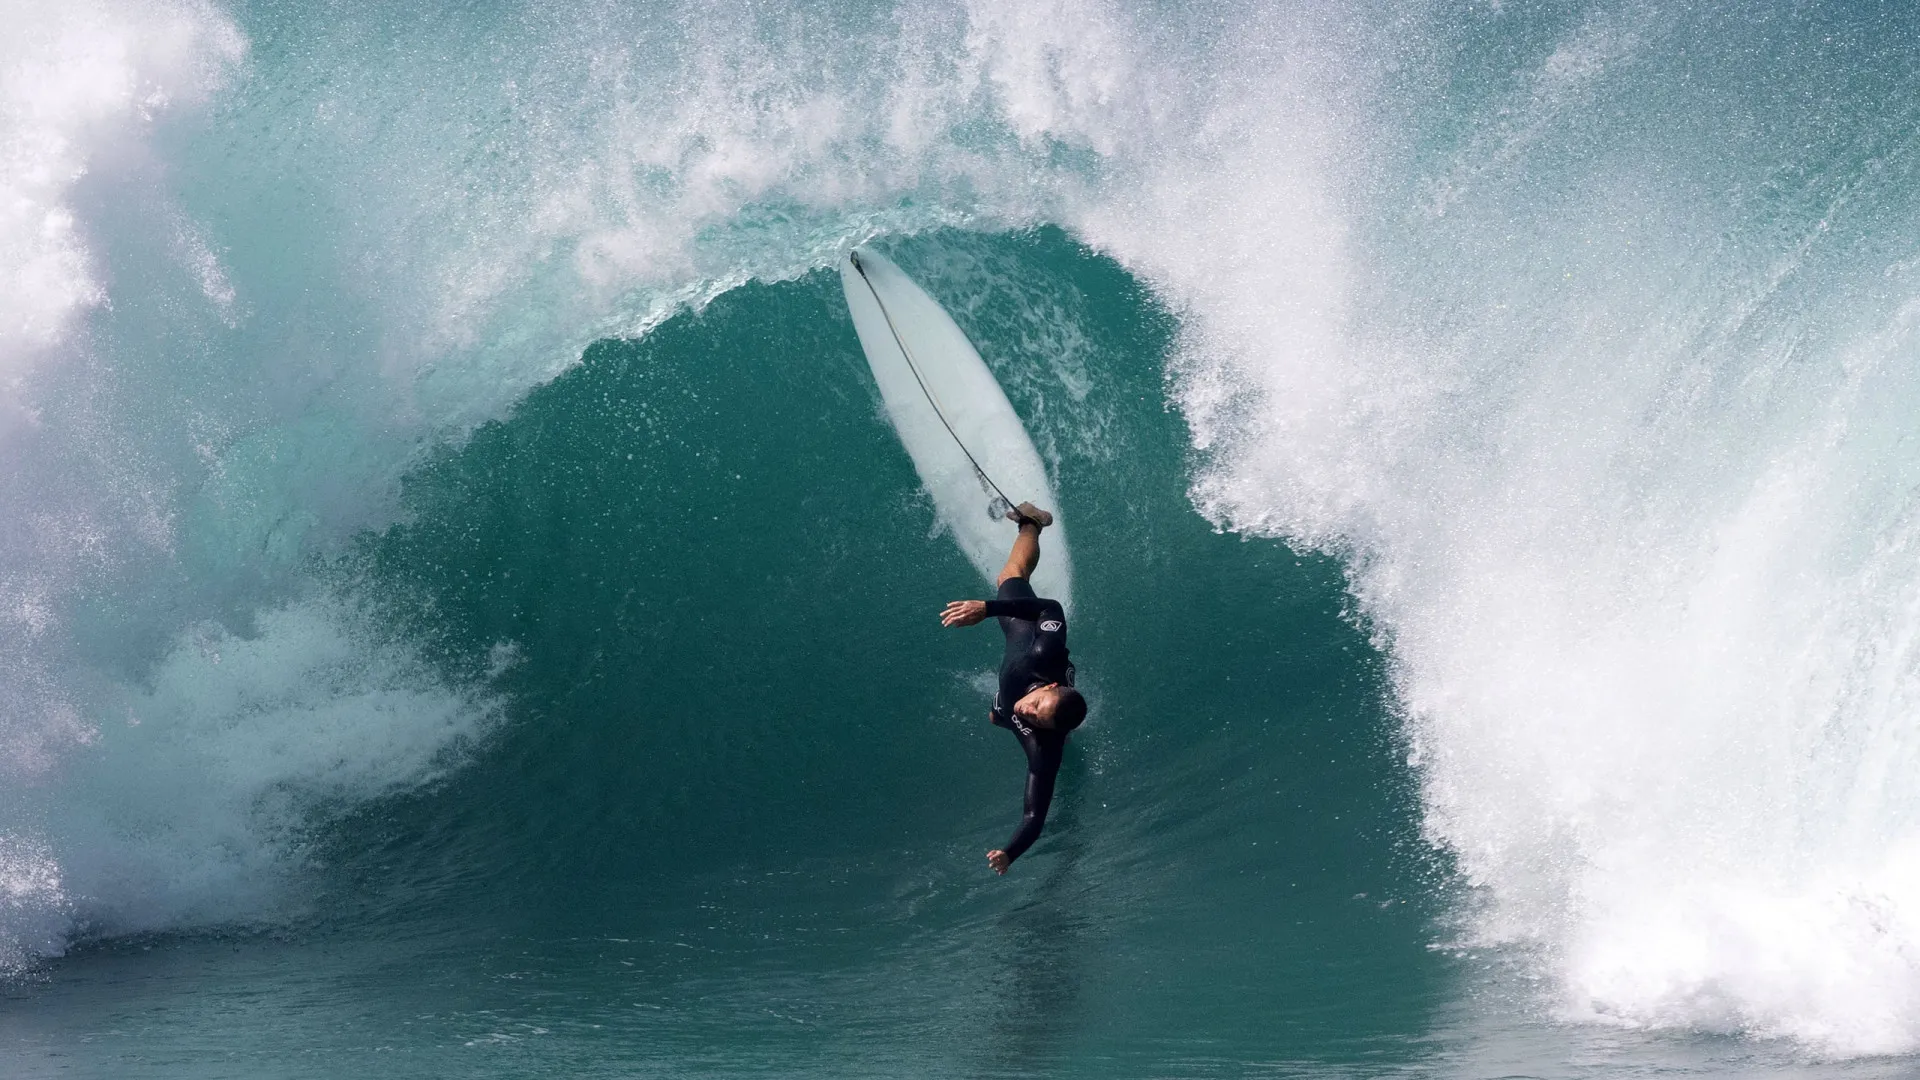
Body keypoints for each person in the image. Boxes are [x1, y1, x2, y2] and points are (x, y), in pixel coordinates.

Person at [940, 501, 1088, 874]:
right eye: (1038, 705)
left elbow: (1034, 816)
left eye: (1037, 718)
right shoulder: (1044, 652)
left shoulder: (1043, 748)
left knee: (1000, 716)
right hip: (1023, 639)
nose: (1029, 710)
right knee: (1009, 576)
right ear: (1049, 686)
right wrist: (987, 609)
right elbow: (1050, 608)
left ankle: (1027, 717)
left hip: (1019, 695)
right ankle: (1033, 522)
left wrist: (1009, 853)